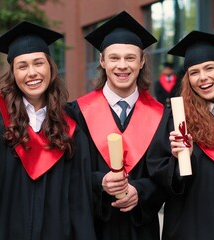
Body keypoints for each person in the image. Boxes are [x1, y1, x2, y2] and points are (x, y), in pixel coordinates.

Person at [0, 21, 96, 240]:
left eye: (38, 63)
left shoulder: (69, 122)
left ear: (50, 67)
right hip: (0, 231)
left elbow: (79, 199)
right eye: (22, 66)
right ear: (13, 73)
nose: (32, 73)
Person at [67, 11, 165, 240]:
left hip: (142, 230)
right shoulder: (76, 113)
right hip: (92, 228)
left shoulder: (161, 116)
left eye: (130, 58)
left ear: (142, 62)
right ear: (102, 61)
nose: (122, 66)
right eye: (114, 58)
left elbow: (165, 178)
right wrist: (99, 182)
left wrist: (139, 191)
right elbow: (68, 174)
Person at [147, 30, 214, 240]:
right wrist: (180, 160)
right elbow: (160, 175)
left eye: (209, 68)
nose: (203, 78)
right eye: (194, 72)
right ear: (187, 79)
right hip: (192, 228)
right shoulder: (175, 120)